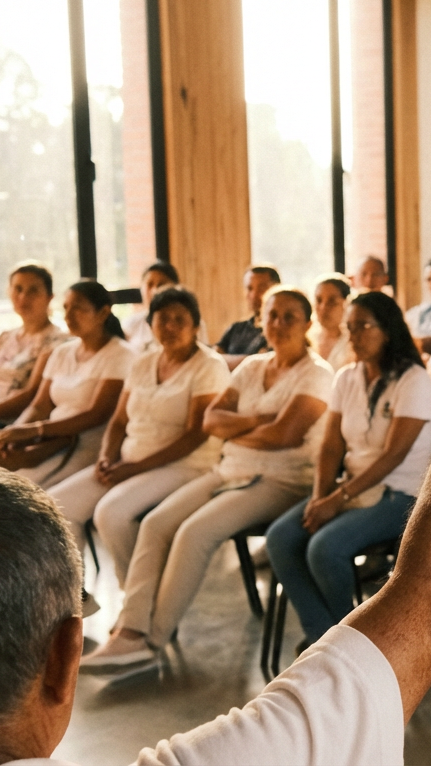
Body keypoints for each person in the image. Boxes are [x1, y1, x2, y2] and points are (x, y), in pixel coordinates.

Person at [0, 159, 431, 766]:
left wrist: (320, 481)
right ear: (65, 656)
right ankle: (335, 649)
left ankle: (317, 644)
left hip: (378, 492)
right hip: (299, 481)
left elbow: (301, 437)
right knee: (274, 538)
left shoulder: (370, 378)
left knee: (285, 540)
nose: (348, 333)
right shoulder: (318, 375)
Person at [80, 287, 333, 672]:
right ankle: (130, 630)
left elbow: (286, 436)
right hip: (228, 469)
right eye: (272, 315)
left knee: (193, 533)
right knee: (155, 523)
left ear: (308, 323)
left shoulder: (316, 373)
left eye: (289, 317)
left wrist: (237, 428)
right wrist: (256, 423)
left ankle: (151, 641)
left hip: (281, 479)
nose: (278, 324)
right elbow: (212, 421)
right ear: (261, 320)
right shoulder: (251, 367)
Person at [267, 291, 431, 649]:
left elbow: (393, 456)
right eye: (350, 327)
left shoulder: (413, 380)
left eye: (363, 327)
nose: (354, 336)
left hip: (400, 495)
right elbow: (331, 446)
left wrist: (338, 498)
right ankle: (326, 638)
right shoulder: (347, 377)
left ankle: (347, 645)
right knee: (281, 538)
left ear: (387, 330)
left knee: (324, 549)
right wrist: (319, 498)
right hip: (355, 486)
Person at [47, 287, 230, 574]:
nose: (169, 326)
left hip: (185, 465)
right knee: (57, 506)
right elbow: (119, 421)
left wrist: (133, 468)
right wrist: (106, 457)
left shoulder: (208, 366)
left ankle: (135, 593)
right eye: (161, 319)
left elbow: (196, 434)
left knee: (111, 514)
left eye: (179, 319)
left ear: (195, 326)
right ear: (150, 325)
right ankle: (76, 594)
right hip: (130, 460)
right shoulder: (144, 362)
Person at [0, 281, 135, 489]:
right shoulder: (62, 352)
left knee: (26, 494)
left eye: (78, 308)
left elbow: (97, 414)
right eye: (66, 308)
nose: (69, 316)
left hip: (87, 444)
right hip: (49, 439)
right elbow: (40, 405)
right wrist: (16, 432)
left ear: (103, 313)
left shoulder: (121, 354)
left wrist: (34, 431)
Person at [0, 262, 68, 428]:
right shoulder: (3, 339)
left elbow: (32, 396)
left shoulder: (58, 343)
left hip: (12, 423)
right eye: (18, 289)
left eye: (33, 290)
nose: (23, 297)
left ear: (49, 297)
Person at [122, 262, 209, 352]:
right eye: (150, 284)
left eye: (161, 284)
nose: (154, 291)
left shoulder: (193, 323)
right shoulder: (130, 324)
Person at [216, 265, 280, 370]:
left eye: (262, 288)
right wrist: (252, 359)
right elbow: (213, 362)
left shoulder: (279, 331)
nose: (254, 295)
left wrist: (227, 360)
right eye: (250, 288)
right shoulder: (235, 329)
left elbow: (266, 366)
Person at [309, 274, 355, 370]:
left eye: (332, 301)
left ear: (346, 304)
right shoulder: (306, 339)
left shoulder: (353, 342)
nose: (323, 308)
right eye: (319, 300)